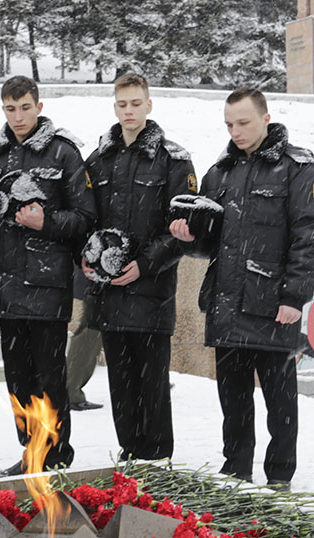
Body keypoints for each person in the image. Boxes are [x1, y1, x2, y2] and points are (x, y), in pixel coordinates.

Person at [169, 86, 314, 488]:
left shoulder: (298, 170)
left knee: (281, 403)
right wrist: (189, 236)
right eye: (229, 124)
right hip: (226, 304)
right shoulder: (219, 172)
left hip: (273, 305)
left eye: (243, 122)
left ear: (265, 118)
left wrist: (295, 296)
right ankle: (236, 471)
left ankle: (279, 479)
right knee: (233, 403)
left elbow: (310, 237)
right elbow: (209, 242)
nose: (235, 131)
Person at [0, 75, 96, 478]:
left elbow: (84, 218)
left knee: (50, 379)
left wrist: (46, 221)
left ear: (38, 107)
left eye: (25, 107)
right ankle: (31, 451)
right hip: (6, 289)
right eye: (10, 109)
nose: (18, 116)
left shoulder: (63, 153)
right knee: (18, 381)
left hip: (47, 287)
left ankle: (56, 454)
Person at [82, 72, 196, 461]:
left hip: (151, 296)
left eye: (136, 103)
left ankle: (158, 465)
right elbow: (87, 219)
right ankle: (130, 459)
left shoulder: (174, 160)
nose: (128, 111)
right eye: (122, 104)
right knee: (120, 386)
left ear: (149, 104)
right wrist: (86, 257)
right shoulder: (98, 160)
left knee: (153, 387)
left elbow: (183, 229)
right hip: (110, 296)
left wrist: (145, 265)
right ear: (114, 106)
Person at [66, 269, 103, 412]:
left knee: (92, 331)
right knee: (90, 333)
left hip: (97, 280)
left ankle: (145, 382)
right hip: (97, 280)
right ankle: (71, 393)